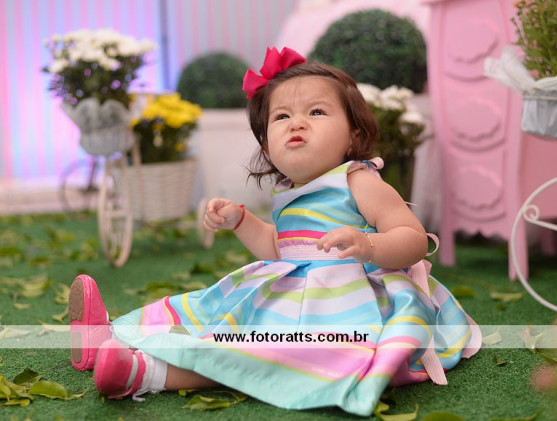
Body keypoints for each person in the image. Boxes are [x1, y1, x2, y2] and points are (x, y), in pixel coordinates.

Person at [68, 47, 481, 416]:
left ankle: (145, 372)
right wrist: (241, 221)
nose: (296, 122)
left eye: (316, 112)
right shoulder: (288, 191)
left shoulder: (358, 181)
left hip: (348, 304)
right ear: (267, 145)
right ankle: (111, 336)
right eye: (281, 117)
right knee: (211, 311)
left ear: (354, 133)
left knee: (271, 351)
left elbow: (413, 239)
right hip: (289, 294)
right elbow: (279, 248)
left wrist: (368, 244)